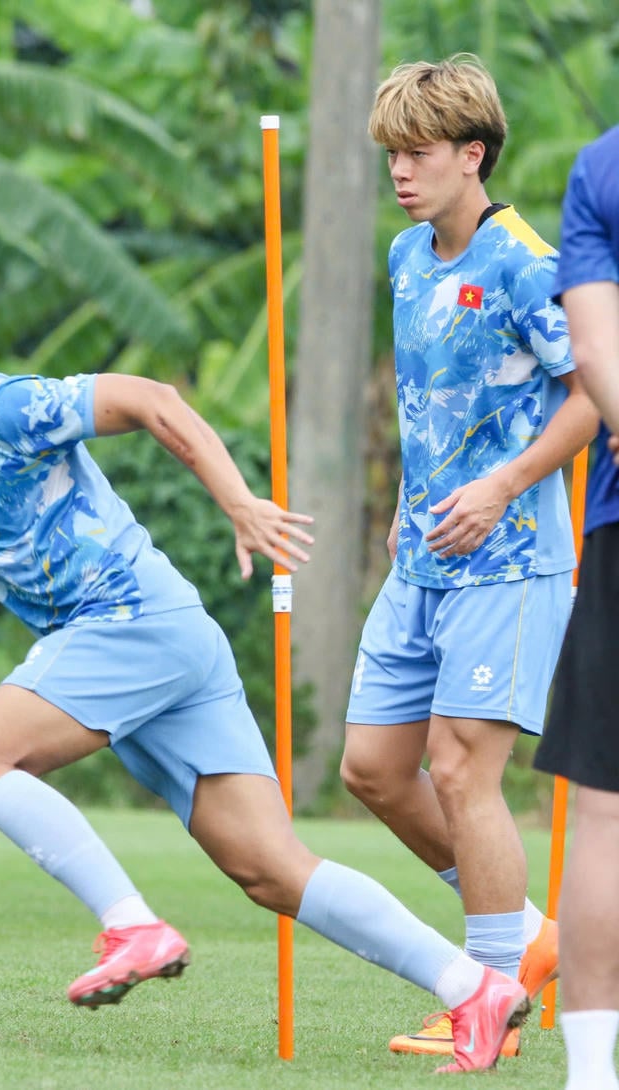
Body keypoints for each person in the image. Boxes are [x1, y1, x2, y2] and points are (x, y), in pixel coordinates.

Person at [0, 252, 531, 1071]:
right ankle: (475, 989)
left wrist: (240, 503)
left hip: (131, 623)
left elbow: (153, 400)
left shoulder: (3, 406)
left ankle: (131, 926)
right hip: (162, 639)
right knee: (271, 871)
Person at [337, 55, 599, 1058]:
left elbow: (589, 387)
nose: (399, 172)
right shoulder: (407, 257)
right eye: (391, 155)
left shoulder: (526, 261)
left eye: (416, 154)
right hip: (421, 561)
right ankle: (528, 936)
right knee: (371, 767)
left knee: (458, 769)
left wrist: (498, 486)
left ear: (471, 154)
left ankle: (487, 996)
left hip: (512, 554)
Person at [533, 123, 619, 1090]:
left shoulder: (602, 167)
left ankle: (591, 1074)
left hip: (615, 522)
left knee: (604, 813)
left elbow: (593, 355)